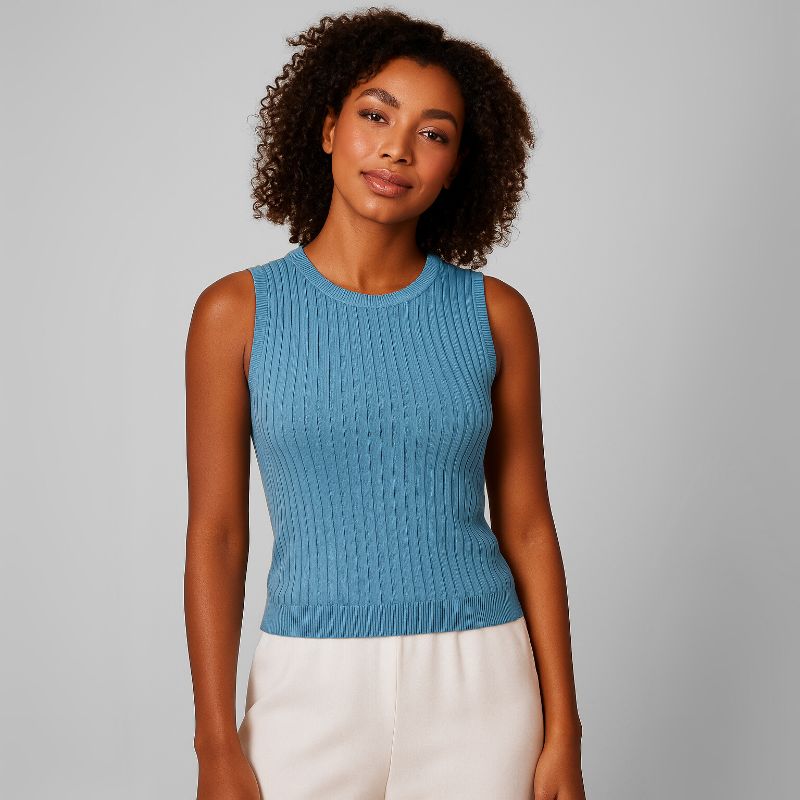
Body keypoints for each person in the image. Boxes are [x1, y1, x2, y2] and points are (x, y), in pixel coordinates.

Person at [185, 8, 584, 800]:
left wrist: (564, 732)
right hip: (308, 680)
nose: (398, 148)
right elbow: (218, 536)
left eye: (433, 133)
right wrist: (214, 744)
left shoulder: (495, 314)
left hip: (482, 681)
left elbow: (529, 527)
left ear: (456, 165)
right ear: (328, 127)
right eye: (376, 115)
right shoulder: (236, 313)